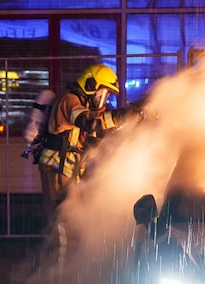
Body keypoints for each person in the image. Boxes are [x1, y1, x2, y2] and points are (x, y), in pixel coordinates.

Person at [35, 63, 141, 265]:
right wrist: (121, 116)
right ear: (91, 85)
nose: (104, 100)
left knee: (73, 225)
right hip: (57, 173)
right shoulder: (69, 101)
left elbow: (95, 134)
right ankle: (57, 276)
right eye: (103, 93)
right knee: (63, 227)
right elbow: (90, 123)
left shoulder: (81, 106)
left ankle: (67, 272)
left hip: (68, 174)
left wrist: (130, 119)